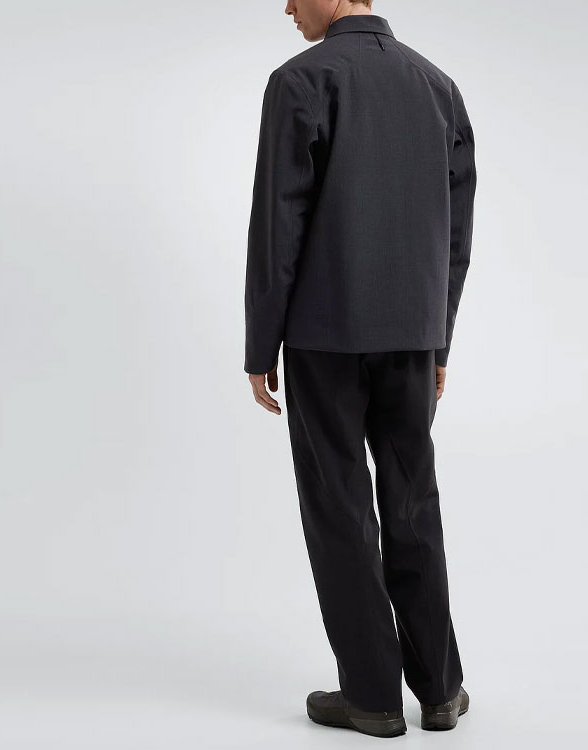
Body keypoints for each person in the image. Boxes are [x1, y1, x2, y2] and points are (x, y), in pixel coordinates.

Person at [243, 0, 477, 738]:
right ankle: (441, 688)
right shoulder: (437, 85)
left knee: (339, 508)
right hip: (412, 334)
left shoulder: (301, 80)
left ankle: (372, 697)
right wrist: (438, 341)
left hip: (325, 333)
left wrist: (260, 346)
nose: (286, 6)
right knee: (413, 501)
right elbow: (456, 230)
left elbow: (278, 222)